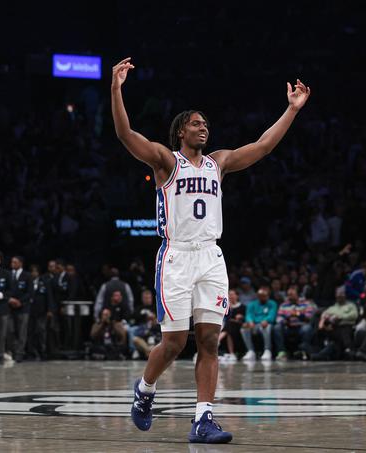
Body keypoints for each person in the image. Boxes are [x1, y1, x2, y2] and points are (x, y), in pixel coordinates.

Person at [111, 56, 310, 444]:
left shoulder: (218, 163)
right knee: (173, 342)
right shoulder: (167, 163)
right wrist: (116, 90)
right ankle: (145, 389)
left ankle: (203, 419)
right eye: (197, 123)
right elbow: (125, 135)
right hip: (176, 256)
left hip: (211, 256)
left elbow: (264, 146)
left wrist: (291, 109)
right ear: (181, 131)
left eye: (206, 124)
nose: (205, 128)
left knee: (208, 339)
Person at [240, 286, 278, 362]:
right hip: (254, 324)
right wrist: (250, 321)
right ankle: (250, 351)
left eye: (264, 296)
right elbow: (249, 315)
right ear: (258, 296)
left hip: (266, 324)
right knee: (244, 328)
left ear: (268, 296)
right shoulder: (252, 304)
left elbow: (272, 315)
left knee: (266, 327)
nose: (263, 298)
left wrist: (266, 320)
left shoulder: (272, 303)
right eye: (261, 296)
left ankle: (267, 350)